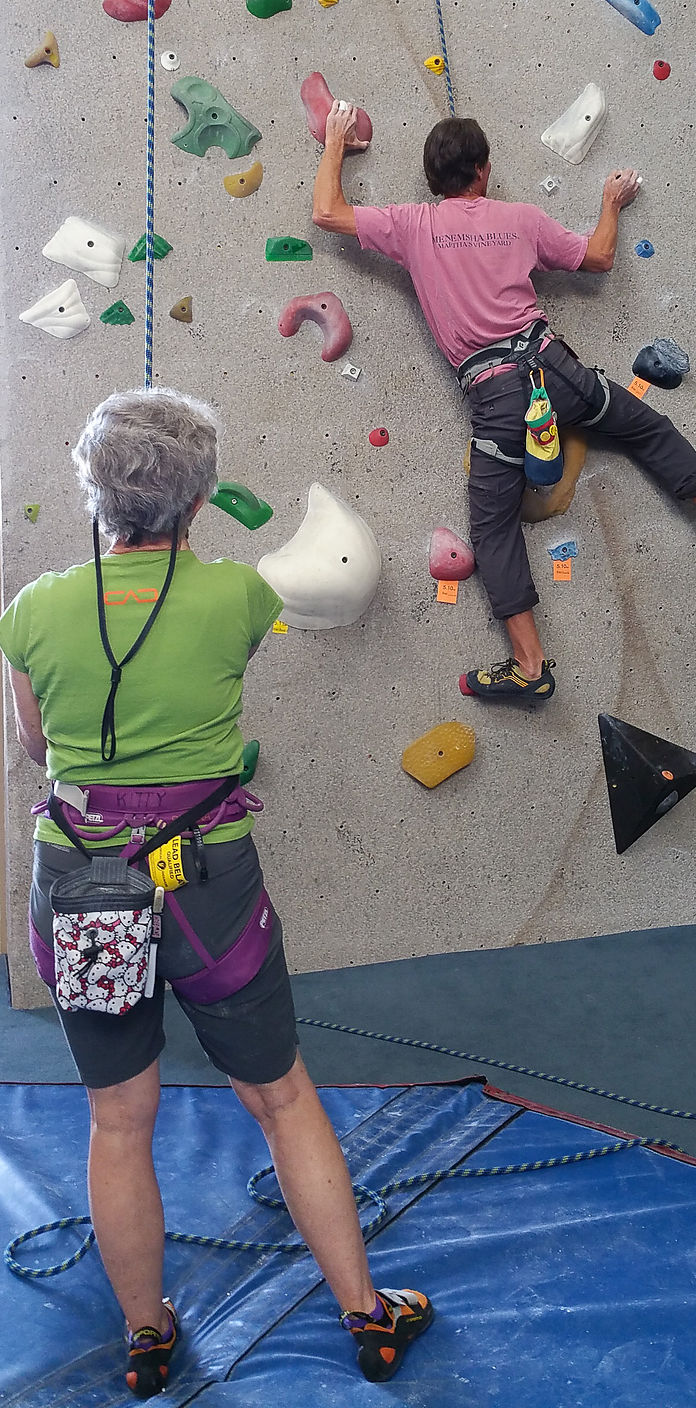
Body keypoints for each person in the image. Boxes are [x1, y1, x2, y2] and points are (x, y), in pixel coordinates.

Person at [0, 388, 432, 1398]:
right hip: (207, 875)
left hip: (79, 875)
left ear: (93, 493)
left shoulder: (31, 610)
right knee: (281, 1097)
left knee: (119, 1116)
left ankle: (147, 1334)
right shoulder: (237, 598)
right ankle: (367, 1317)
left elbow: (35, 748)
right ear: (197, 505)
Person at [312, 110, 696, 704]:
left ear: (431, 179)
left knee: (494, 528)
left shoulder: (412, 224)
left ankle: (530, 666)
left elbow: (326, 211)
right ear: (485, 170)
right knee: (646, 428)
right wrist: (610, 202)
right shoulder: (519, 219)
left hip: (496, 396)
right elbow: (598, 258)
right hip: (555, 372)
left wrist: (337, 144)